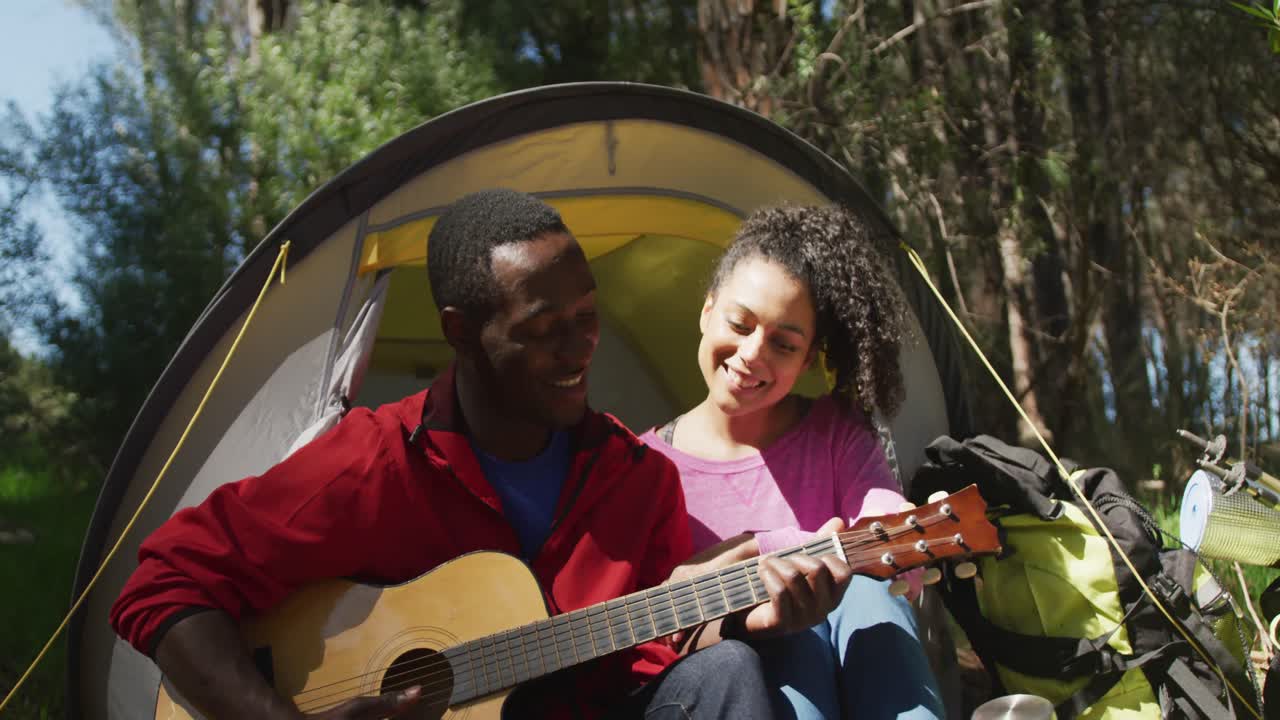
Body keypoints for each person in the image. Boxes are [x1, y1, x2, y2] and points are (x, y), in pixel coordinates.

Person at [109, 189, 849, 720]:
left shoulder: (637, 479)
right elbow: (162, 584)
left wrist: (732, 621)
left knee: (728, 674)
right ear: (463, 333)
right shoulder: (375, 461)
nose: (579, 346)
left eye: (588, 316)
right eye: (542, 327)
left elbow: (646, 666)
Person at [641, 205, 945, 720]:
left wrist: (754, 548)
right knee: (791, 642)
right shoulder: (644, 466)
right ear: (706, 309)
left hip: (862, 666)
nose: (752, 355)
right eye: (739, 323)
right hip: (745, 685)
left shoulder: (836, 433)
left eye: (784, 344)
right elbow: (660, 640)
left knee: (871, 596)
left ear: (807, 361)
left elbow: (887, 541)